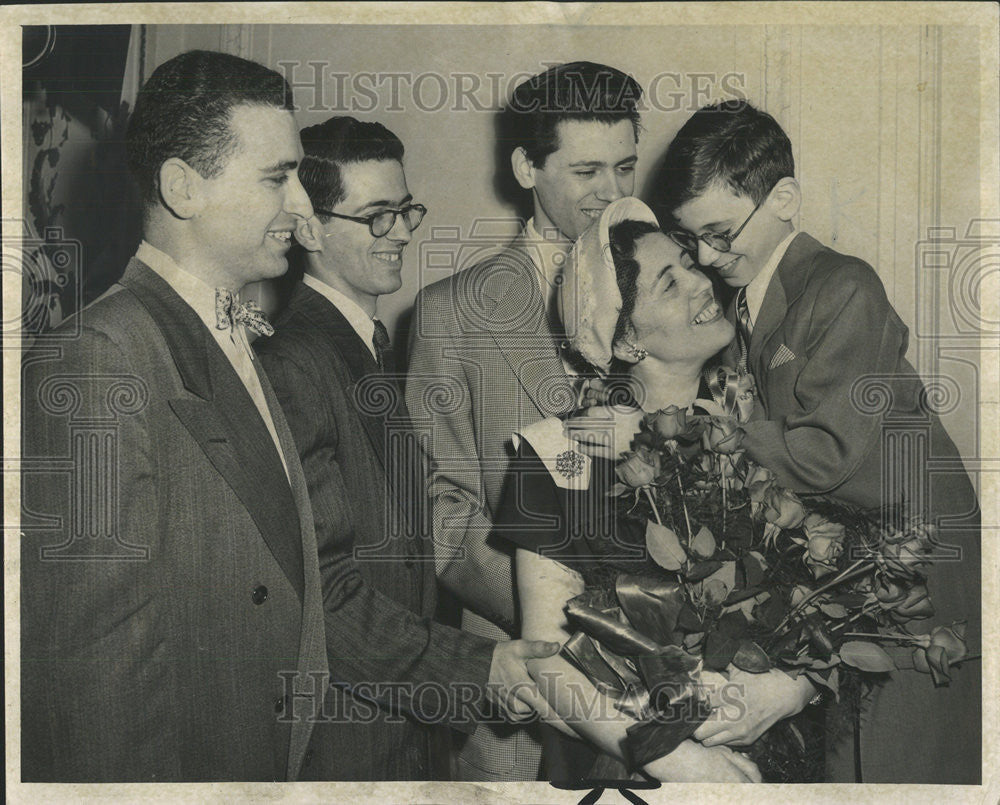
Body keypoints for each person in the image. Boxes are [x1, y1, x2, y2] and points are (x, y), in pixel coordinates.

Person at [20, 49, 327, 781]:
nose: (304, 207)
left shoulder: (232, 332)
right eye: (277, 178)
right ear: (183, 188)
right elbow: (93, 678)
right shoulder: (97, 357)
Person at [653, 100, 981, 783]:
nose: (709, 258)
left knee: (900, 764)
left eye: (719, 233)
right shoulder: (754, 299)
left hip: (918, 575)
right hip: (863, 566)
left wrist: (699, 437)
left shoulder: (842, 285)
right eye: (694, 243)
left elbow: (830, 457)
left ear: (785, 198)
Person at [253, 116, 560, 780]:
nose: (401, 233)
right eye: (376, 217)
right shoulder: (295, 358)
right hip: (350, 740)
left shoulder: (361, 344)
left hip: (398, 726)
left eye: (405, 210)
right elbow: (322, 596)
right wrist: (476, 667)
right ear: (309, 227)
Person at [406, 61, 643, 780]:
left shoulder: (672, 292)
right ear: (525, 167)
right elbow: (441, 514)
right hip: (519, 697)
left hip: (658, 697)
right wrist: (562, 617)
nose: (614, 193)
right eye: (588, 171)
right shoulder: (449, 313)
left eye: (626, 168)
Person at [494, 196, 762, 783]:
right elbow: (545, 658)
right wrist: (681, 762)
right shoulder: (556, 455)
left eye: (690, 264)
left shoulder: (752, 432)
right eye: (671, 283)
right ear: (626, 343)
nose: (701, 282)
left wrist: (788, 692)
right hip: (621, 767)